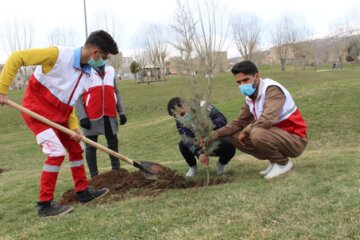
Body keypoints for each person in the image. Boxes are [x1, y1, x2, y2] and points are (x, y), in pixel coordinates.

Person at [0, 30, 118, 217]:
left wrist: (74, 127)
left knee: (77, 148)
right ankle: (44, 205)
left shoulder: (86, 73)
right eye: (104, 57)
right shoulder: (57, 55)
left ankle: (83, 192)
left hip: (60, 117)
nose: (103, 61)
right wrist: (2, 89)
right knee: (55, 152)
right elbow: (17, 57)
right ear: (95, 53)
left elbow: (68, 101)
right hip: (37, 114)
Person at [209, 61, 308, 179]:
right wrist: (215, 134)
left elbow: (267, 120)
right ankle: (274, 161)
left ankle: (283, 164)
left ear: (257, 76)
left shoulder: (272, 90)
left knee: (256, 132)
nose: (242, 85)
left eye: (246, 80)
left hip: (295, 139)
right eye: (239, 82)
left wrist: (246, 130)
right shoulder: (250, 97)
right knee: (234, 136)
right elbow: (239, 122)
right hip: (277, 136)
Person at [76, 63, 127, 178]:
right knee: (90, 147)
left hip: (109, 113)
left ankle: (116, 171)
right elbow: (77, 95)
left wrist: (121, 112)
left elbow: (116, 92)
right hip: (90, 115)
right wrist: (82, 116)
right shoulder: (84, 71)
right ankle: (94, 177)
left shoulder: (111, 70)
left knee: (113, 142)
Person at [167, 97, 236, 177]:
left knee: (230, 143)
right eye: (177, 116)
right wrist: (198, 154)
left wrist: (209, 126)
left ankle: (221, 165)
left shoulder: (203, 106)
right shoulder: (180, 120)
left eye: (182, 114)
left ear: (185, 105)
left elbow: (222, 120)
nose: (182, 117)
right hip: (199, 143)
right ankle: (193, 168)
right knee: (182, 144)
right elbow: (186, 137)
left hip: (214, 139)